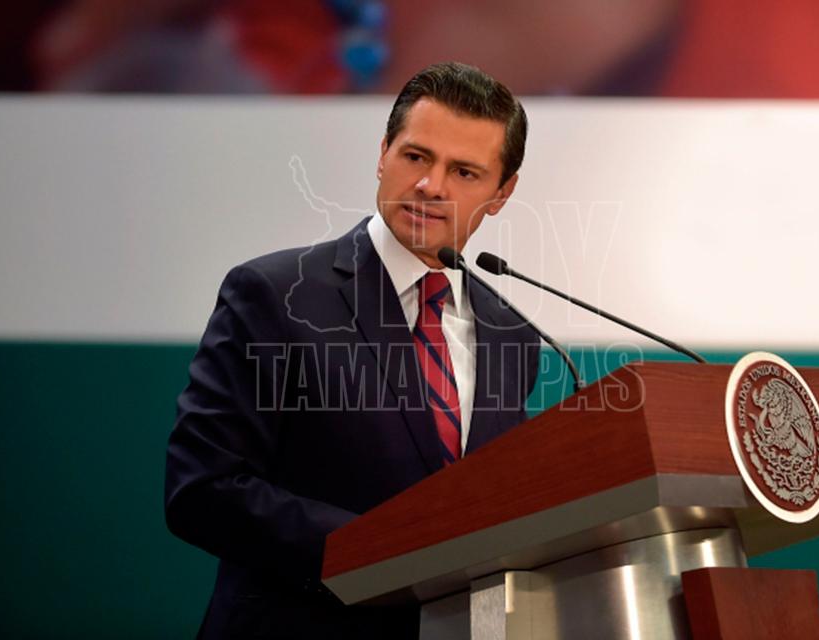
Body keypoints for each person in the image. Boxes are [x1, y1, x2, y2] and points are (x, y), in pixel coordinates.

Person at [164, 61, 541, 639]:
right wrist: (383, 551)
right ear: (383, 153)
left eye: (464, 172)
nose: (431, 185)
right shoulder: (275, 295)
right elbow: (202, 490)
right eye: (416, 157)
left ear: (502, 193)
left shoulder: (512, 335)